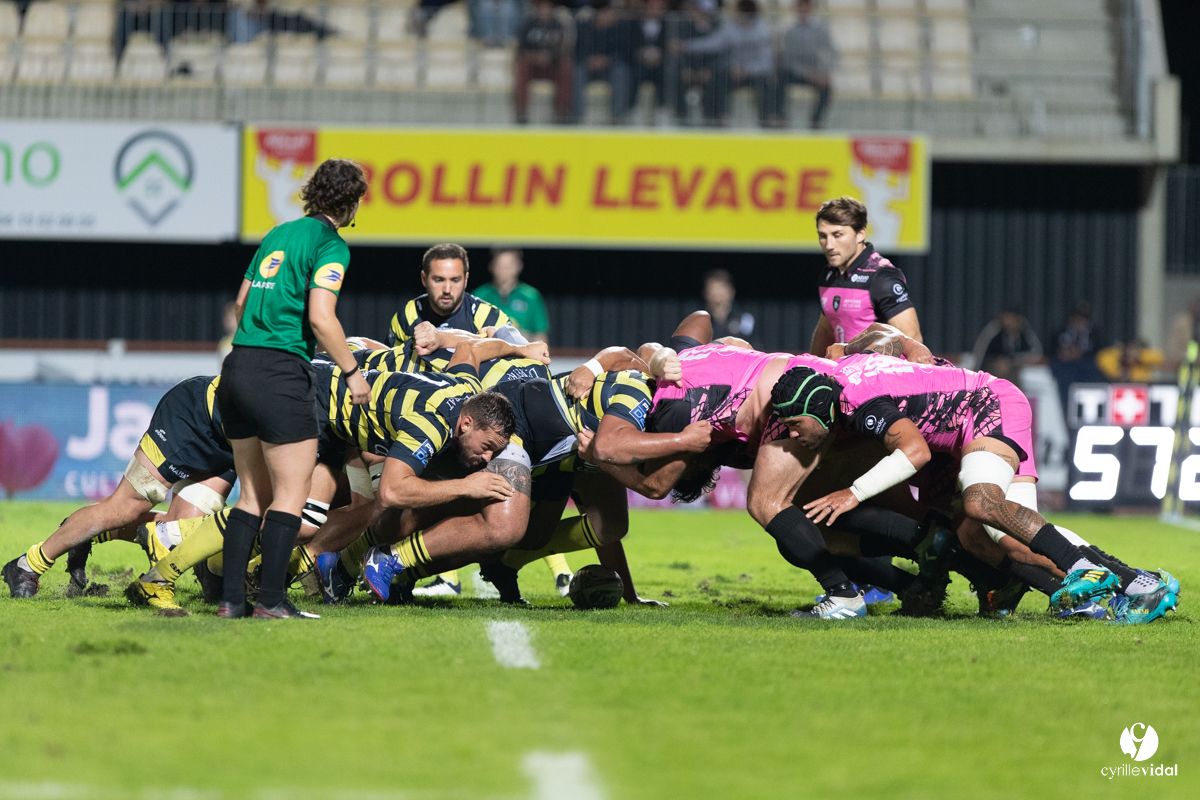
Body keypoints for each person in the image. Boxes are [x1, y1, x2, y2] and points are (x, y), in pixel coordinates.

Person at [779, 355, 1177, 623]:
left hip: (988, 406)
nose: (792, 434)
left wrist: (852, 493)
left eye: (795, 424)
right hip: (963, 431)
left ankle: (1081, 569)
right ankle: (1137, 584)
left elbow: (913, 451)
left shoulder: (856, 400)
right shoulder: (849, 366)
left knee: (981, 501)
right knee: (983, 536)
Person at [214, 157, 370, 620]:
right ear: (353, 202)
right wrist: (350, 371)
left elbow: (241, 302)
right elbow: (322, 317)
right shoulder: (331, 245)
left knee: (250, 495)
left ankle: (230, 602)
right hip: (280, 373)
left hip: (238, 365)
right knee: (290, 496)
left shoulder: (277, 234)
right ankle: (271, 602)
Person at [2, 377, 236, 600]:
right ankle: (26, 566)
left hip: (232, 440)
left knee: (184, 530)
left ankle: (88, 534)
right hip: (194, 415)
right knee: (123, 508)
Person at [809, 196, 922, 354]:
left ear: (860, 234)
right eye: (823, 236)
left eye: (837, 235)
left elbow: (913, 340)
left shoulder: (883, 277)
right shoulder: (828, 274)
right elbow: (827, 329)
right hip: (841, 374)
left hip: (874, 375)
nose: (829, 245)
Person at [387, 244, 510, 346]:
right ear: (424, 278)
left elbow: (522, 366)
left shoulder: (492, 319)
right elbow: (388, 366)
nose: (447, 289)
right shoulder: (408, 316)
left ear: (466, 280)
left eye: (455, 280)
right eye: (439, 280)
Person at [683, 0, 776, 126]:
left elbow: (766, 64)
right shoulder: (731, 28)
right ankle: (718, 119)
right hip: (732, 73)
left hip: (754, 75)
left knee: (767, 82)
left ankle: (768, 121)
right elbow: (712, 43)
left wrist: (747, 70)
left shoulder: (763, 30)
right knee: (717, 77)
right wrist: (686, 46)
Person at [776, 0, 836, 129]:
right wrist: (805, 73)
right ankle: (781, 118)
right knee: (780, 77)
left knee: (826, 87)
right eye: (800, 8)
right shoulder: (791, 32)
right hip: (797, 73)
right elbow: (789, 60)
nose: (803, 12)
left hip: (816, 72)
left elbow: (831, 52)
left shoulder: (820, 30)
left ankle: (815, 122)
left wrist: (822, 72)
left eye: (806, 8)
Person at [473, 248, 551, 342]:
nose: (504, 270)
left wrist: (516, 336)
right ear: (491, 266)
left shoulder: (531, 296)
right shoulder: (479, 296)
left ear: (519, 266)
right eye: (500, 265)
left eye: (509, 266)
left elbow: (541, 337)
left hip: (523, 354)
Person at [514, 0, 572, 124]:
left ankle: (561, 112)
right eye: (542, 8)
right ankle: (521, 112)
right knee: (522, 65)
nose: (544, 11)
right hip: (532, 65)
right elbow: (521, 50)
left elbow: (563, 49)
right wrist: (536, 56)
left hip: (552, 65)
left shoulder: (558, 26)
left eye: (547, 8)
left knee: (566, 67)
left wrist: (549, 56)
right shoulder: (528, 25)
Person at [572, 0, 630, 121]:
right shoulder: (584, 28)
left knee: (621, 72)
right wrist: (588, 60)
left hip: (609, 69)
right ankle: (579, 117)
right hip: (589, 68)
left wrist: (607, 60)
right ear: (598, 14)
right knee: (577, 71)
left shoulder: (618, 29)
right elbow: (577, 52)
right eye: (606, 13)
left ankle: (617, 117)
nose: (610, 16)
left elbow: (624, 52)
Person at [1048, 300, 1105, 413]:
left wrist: (1081, 353)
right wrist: (1063, 353)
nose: (1080, 321)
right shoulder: (1061, 331)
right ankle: (1063, 410)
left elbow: (1101, 353)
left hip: (1086, 367)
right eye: (1077, 317)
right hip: (1064, 367)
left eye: (1083, 318)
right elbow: (1050, 350)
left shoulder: (1094, 333)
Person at [970, 307, 1042, 384]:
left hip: (1016, 365)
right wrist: (976, 376)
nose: (1008, 321)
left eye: (1011, 318)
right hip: (990, 367)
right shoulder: (994, 331)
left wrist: (1022, 359)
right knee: (1003, 367)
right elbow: (980, 353)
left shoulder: (1025, 332)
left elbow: (1036, 352)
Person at [629, 0, 671, 125]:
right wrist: (640, 55)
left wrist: (661, 56)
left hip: (660, 63)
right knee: (634, 74)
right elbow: (629, 45)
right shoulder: (633, 23)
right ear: (645, 6)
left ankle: (662, 111)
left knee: (665, 74)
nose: (656, 9)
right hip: (639, 63)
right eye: (653, 6)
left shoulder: (668, 24)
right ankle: (634, 111)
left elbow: (669, 46)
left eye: (660, 7)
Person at [703, 269, 755, 345]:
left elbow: (752, 347)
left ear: (731, 292)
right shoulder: (700, 322)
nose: (717, 296)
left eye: (721, 290)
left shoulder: (745, 318)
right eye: (713, 290)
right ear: (706, 293)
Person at [1096, 338, 1164, 383]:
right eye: (1129, 349)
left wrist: (1140, 357)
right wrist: (1120, 355)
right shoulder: (1114, 360)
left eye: (1134, 349)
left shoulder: (1141, 366)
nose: (1131, 353)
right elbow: (1101, 357)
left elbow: (1160, 359)